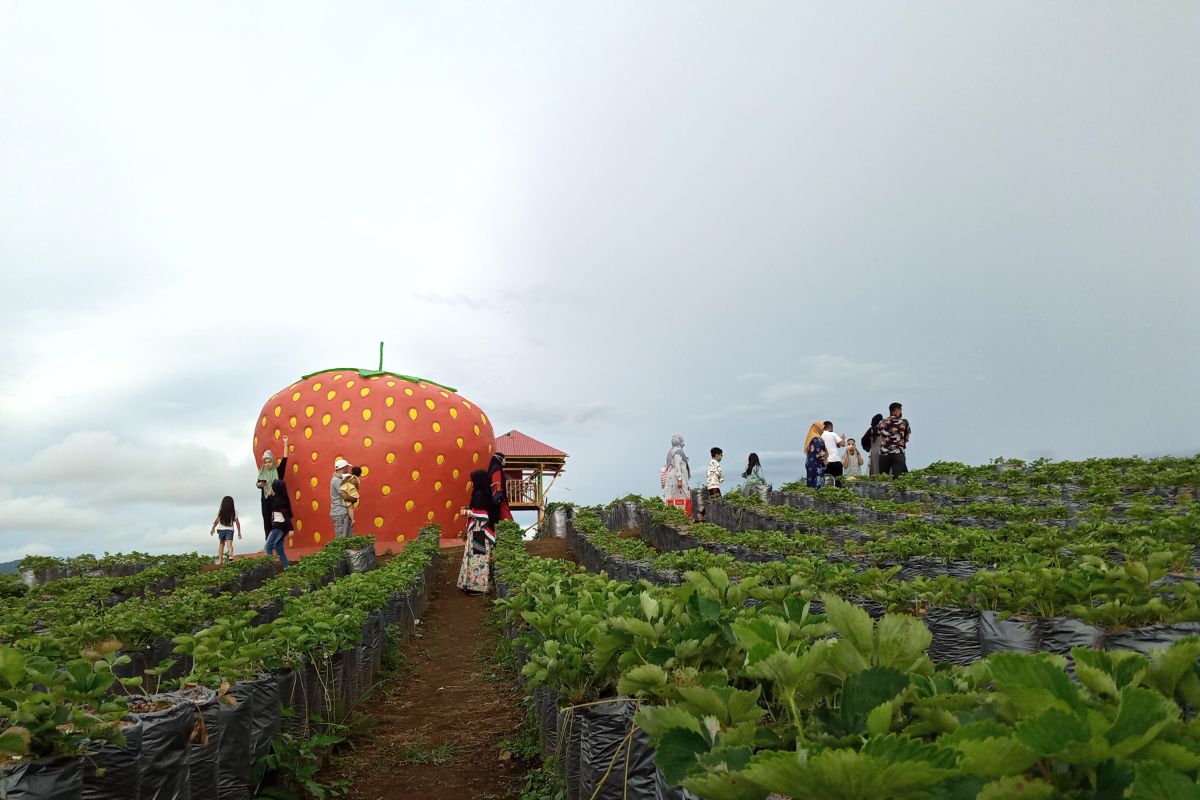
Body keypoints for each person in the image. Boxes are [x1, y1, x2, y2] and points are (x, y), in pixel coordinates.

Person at [457, 470, 495, 594]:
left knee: (477, 557)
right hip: (480, 530)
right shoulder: (486, 493)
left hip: (479, 529)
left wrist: (466, 512)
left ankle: (477, 587)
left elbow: (482, 514)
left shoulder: (479, 494)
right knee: (476, 557)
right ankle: (471, 584)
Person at [256, 438, 289, 536]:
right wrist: (259, 485)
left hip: (276, 500)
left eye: (269, 462)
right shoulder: (262, 473)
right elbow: (258, 483)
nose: (267, 464)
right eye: (265, 462)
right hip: (266, 500)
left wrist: (286, 443)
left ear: (273, 461)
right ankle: (269, 544)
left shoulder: (278, 471)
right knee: (267, 521)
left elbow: (285, 459)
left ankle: (276, 541)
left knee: (277, 522)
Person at [876, 402, 913, 477]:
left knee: (883, 479)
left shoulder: (881, 422)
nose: (900, 412)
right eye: (900, 410)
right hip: (898, 453)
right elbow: (907, 438)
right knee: (898, 479)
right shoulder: (904, 422)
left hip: (884, 453)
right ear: (896, 411)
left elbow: (879, 435)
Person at [661, 435, 691, 513]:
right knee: (682, 495)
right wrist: (680, 479)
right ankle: (682, 515)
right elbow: (677, 465)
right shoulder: (678, 451)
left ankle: (671, 513)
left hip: (672, 476)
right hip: (676, 477)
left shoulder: (671, 451)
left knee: (671, 496)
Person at [265, 478, 291, 568]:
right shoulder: (280, 498)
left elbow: (285, 514)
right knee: (279, 548)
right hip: (283, 528)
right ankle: (287, 568)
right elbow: (272, 501)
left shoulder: (279, 501)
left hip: (279, 526)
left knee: (268, 547)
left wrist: (291, 528)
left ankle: (270, 569)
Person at [209, 496, 241, 565]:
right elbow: (237, 523)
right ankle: (230, 555)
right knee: (229, 545)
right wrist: (239, 532)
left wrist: (213, 528)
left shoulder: (221, 511)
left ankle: (220, 560)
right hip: (230, 530)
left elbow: (217, 521)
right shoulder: (234, 512)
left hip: (221, 530)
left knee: (221, 544)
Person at [487, 453, 515, 530]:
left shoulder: (491, 469)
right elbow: (496, 482)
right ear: (499, 459)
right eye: (504, 458)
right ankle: (509, 534)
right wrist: (499, 495)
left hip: (492, 498)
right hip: (499, 498)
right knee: (505, 515)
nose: (505, 460)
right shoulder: (497, 468)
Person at [329, 458, 353, 539]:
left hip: (341, 512)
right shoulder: (337, 481)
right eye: (347, 467)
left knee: (347, 538)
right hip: (340, 513)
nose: (348, 469)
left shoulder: (338, 479)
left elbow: (349, 476)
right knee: (341, 539)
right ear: (344, 468)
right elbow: (345, 496)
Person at [820, 422, 845, 487]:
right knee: (838, 482)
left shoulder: (820, 435)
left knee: (825, 482)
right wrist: (842, 439)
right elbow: (842, 444)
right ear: (830, 427)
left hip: (825, 461)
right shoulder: (833, 434)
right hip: (836, 461)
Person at [339, 466, 363, 530]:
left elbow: (340, 476)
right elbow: (357, 487)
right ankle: (352, 519)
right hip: (353, 494)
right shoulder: (357, 479)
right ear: (359, 474)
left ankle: (351, 519)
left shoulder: (348, 476)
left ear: (352, 471)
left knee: (349, 508)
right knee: (351, 508)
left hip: (349, 493)